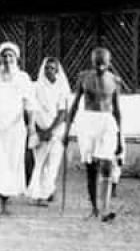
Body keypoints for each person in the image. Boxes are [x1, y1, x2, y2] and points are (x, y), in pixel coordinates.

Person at [63, 47, 124, 222]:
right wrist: (67, 131)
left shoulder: (114, 81)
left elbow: (118, 110)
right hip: (88, 121)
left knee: (106, 163)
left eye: (103, 63)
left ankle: (105, 209)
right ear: (92, 61)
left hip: (107, 121)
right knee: (91, 167)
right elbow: (74, 105)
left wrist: (120, 136)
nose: (99, 67)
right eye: (97, 63)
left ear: (109, 62)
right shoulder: (83, 78)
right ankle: (94, 208)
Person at [0, 42, 36, 217]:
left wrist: (31, 126)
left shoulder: (23, 78)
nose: (8, 59)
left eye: (11, 56)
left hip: (15, 128)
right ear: (0, 58)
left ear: (16, 58)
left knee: (10, 164)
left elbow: (30, 105)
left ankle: (4, 200)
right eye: (4, 56)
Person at [26, 57, 70, 206]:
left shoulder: (62, 87)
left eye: (52, 68)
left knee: (53, 163)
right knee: (40, 163)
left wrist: (51, 130)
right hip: (39, 129)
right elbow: (32, 109)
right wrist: (39, 130)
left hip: (56, 130)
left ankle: (47, 191)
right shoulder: (36, 87)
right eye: (47, 68)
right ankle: (39, 195)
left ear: (57, 70)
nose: (49, 71)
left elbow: (63, 112)